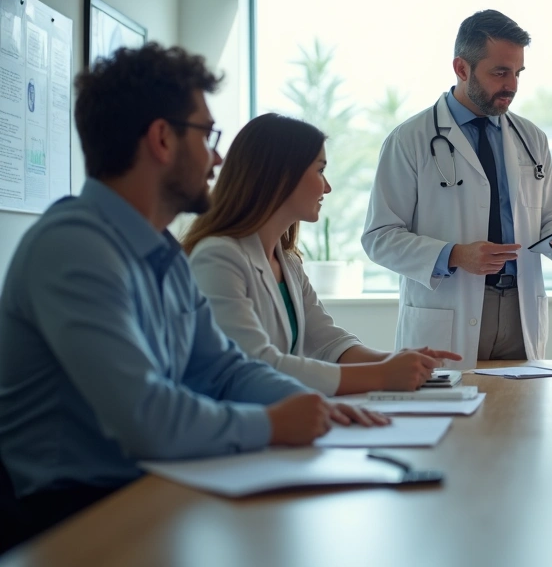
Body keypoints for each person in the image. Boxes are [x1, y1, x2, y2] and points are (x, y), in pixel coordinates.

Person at [0, 44, 386, 540]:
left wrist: (314, 408)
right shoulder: (73, 248)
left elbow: (222, 367)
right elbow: (148, 415)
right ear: (162, 138)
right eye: (207, 135)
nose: (218, 156)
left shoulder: (160, 248)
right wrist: (273, 424)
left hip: (152, 490)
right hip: (73, 518)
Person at [363, 10, 552, 367]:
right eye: (500, 72)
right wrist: (455, 255)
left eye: (517, 72)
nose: (512, 84)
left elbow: (549, 217)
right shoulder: (410, 139)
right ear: (462, 68)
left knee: (521, 419)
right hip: (448, 311)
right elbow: (379, 237)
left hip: (520, 311)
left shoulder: (531, 138)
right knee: (452, 419)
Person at [183, 113, 462, 396]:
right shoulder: (218, 258)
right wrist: (383, 374)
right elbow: (257, 365)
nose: (327, 187)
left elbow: (328, 344)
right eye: (319, 171)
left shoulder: (287, 262)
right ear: (280, 176)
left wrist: (397, 361)